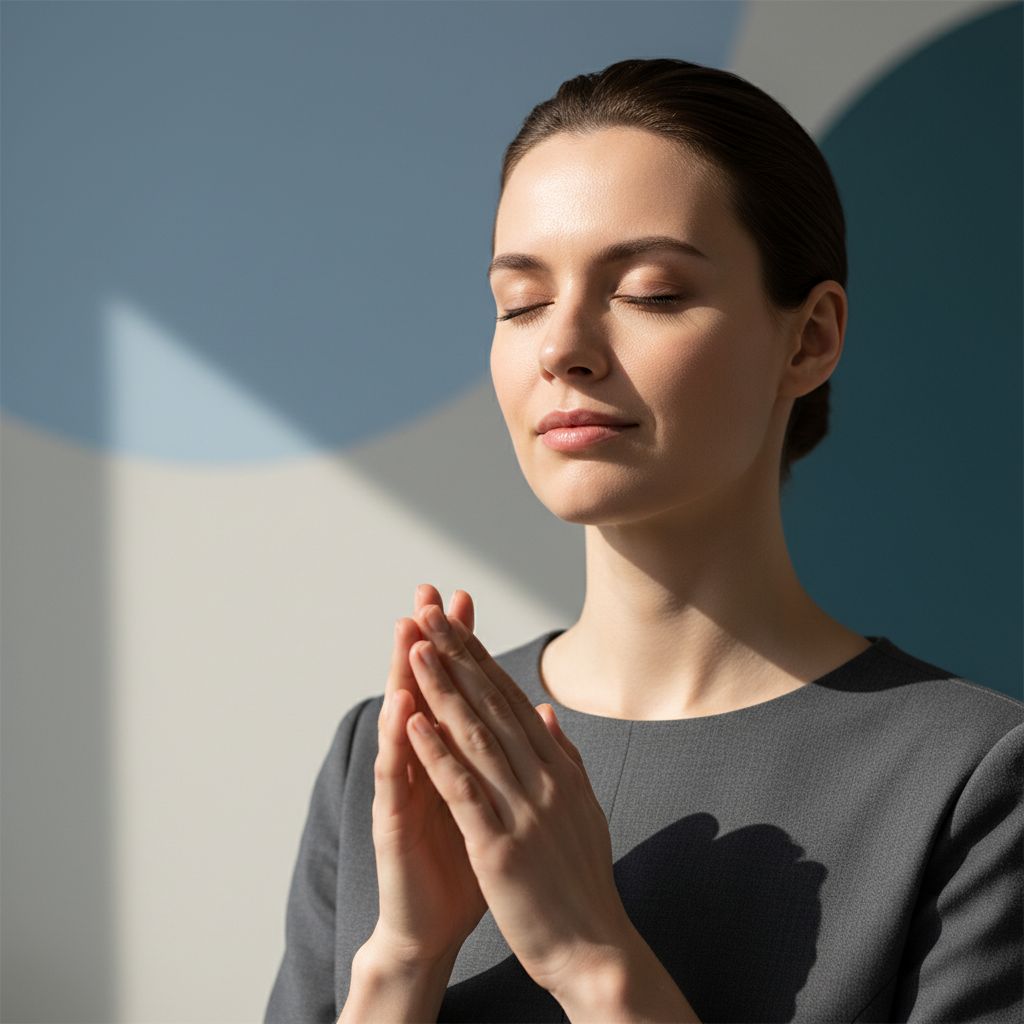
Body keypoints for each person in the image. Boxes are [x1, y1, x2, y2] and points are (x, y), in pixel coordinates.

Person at [264, 58, 1023, 1023]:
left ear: (810, 338)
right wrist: (399, 965)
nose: (561, 348)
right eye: (521, 301)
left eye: (651, 292)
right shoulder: (391, 755)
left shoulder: (973, 781)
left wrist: (593, 961)